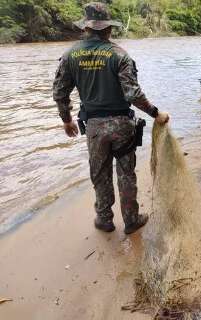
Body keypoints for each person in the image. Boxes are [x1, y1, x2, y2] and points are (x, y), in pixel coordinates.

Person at [53, 2, 169, 235]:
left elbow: (59, 93)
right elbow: (133, 94)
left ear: (86, 27)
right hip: (122, 126)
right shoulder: (119, 55)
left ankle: (104, 219)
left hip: (94, 127)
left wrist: (66, 120)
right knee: (126, 174)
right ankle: (131, 220)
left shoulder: (70, 55)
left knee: (99, 174)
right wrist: (156, 113)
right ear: (108, 28)